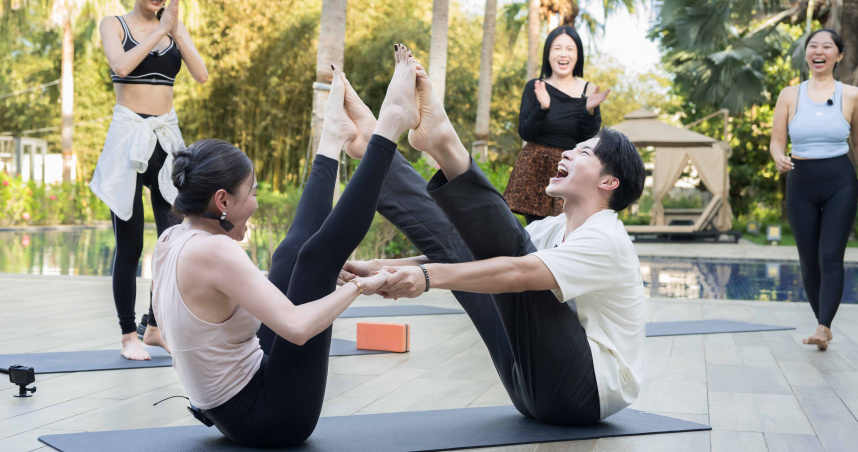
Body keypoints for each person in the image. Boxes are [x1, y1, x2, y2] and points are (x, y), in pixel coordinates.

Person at [340, 61, 646, 424]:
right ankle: (377, 152)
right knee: (484, 252)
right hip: (527, 384)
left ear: (609, 182)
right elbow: (471, 254)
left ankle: (443, 144)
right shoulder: (554, 228)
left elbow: (517, 271)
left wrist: (426, 279)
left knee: (513, 260)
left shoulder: (607, 238)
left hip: (581, 394)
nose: (566, 152)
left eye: (583, 153)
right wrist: (386, 269)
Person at [152, 47, 423, 447]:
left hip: (232, 403)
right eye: (253, 193)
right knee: (316, 260)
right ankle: (388, 128)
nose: (257, 203)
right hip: (271, 419)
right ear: (222, 201)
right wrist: (361, 285)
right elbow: (296, 329)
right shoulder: (215, 252)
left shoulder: (170, 240)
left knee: (290, 258)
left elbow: (183, 327)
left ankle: (331, 138)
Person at [91, 0, 208, 360]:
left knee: (169, 243)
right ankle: (129, 335)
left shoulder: (173, 26)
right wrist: (161, 30)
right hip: (128, 139)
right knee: (129, 247)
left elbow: (201, 74)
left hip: (166, 139)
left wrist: (174, 29)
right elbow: (121, 64)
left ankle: (155, 327)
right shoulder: (113, 25)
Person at [770, 28, 858, 350]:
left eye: (826, 46)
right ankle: (822, 320)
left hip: (840, 181)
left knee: (830, 256)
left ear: (839, 55)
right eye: (812, 46)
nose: (818, 51)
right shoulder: (789, 94)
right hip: (800, 181)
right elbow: (778, 141)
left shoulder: (852, 95)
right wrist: (779, 157)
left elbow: (857, 145)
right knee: (808, 260)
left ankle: (823, 327)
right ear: (807, 54)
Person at [504, 25, 610, 224]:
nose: (563, 54)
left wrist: (589, 111)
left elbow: (589, 140)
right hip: (535, 166)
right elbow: (525, 132)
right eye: (557, 48)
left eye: (570, 49)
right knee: (536, 233)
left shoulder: (588, 90)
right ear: (548, 54)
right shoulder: (536, 86)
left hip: (570, 167)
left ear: (578, 55)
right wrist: (543, 108)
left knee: (564, 229)